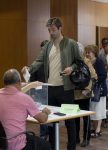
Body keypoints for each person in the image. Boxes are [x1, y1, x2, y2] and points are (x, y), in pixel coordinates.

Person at [22, 17, 82, 150]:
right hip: (50, 88)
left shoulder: (71, 43)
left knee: (69, 121)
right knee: (51, 121)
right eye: (49, 30)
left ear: (60, 28)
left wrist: (71, 68)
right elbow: (39, 61)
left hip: (65, 89)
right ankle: (53, 147)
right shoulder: (48, 45)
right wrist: (29, 68)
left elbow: (79, 62)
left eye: (53, 30)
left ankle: (71, 147)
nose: (51, 33)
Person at [0, 69, 51, 150]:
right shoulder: (24, 98)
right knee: (46, 145)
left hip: (2, 142)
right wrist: (45, 112)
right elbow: (42, 119)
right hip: (17, 144)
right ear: (19, 82)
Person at [74, 43, 97, 147]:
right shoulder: (72, 62)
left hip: (84, 94)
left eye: (78, 50)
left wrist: (88, 89)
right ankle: (76, 138)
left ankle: (86, 139)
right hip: (74, 93)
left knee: (85, 117)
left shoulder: (86, 62)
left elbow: (94, 77)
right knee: (75, 117)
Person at [85, 45, 107, 137]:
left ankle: (98, 130)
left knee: (98, 110)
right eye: (86, 52)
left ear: (94, 52)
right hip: (92, 89)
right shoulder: (87, 62)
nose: (87, 54)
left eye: (88, 52)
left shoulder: (99, 62)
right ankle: (95, 128)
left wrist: (94, 79)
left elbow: (103, 76)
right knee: (93, 110)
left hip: (99, 90)